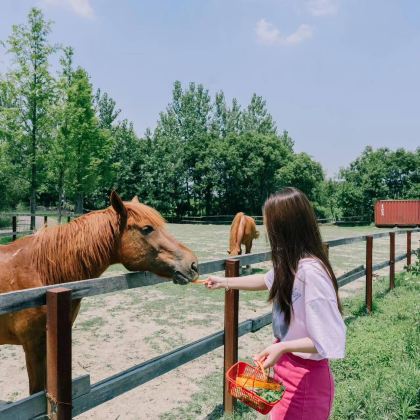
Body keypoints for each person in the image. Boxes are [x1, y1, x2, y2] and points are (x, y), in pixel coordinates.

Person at [206, 188, 346, 419]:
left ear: (284, 227)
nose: (267, 230)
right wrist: (224, 281)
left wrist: (282, 346)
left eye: (270, 223)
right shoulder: (292, 264)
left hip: (305, 380)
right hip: (286, 369)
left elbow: (330, 338)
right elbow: (265, 280)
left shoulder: (310, 273)